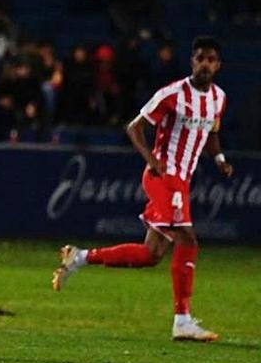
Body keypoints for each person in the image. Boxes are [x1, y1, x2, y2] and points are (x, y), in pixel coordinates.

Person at [53, 36, 233, 342]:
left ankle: (79, 257)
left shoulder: (218, 98)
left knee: (152, 254)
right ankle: (182, 320)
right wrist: (152, 160)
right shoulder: (172, 94)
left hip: (181, 180)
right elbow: (134, 127)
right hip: (164, 176)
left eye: (211, 59)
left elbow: (212, 130)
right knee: (187, 239)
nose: (205, 63)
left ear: (218, 65)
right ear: (192, 61)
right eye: (200, 57)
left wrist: (219, 158)